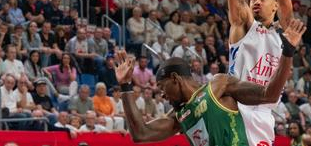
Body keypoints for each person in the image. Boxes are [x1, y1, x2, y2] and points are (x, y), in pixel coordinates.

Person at [115, 18, 305, 145]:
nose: (162, 95)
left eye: (162, 87)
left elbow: (269, 95)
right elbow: (140, 134)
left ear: (175, 78)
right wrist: (125, 86)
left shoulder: (219, 84)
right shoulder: (179, 116)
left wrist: (288, 52)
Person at [225, 0, 293, 146]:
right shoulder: (243, 24)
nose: (255, 1)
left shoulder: (284, 34)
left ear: (274, 6)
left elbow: (286, 5)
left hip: (264, 114)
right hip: (236, 107)